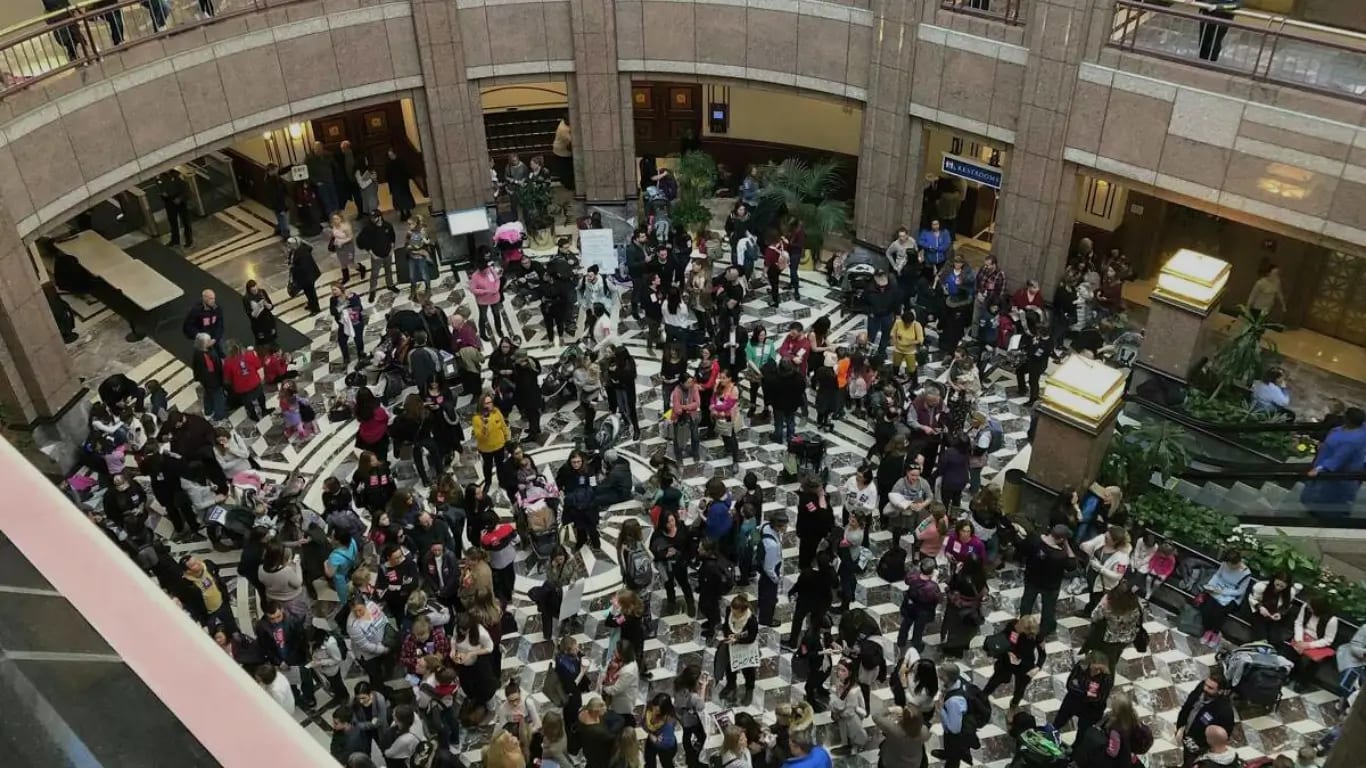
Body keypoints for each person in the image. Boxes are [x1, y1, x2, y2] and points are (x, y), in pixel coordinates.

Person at [1303, 407, 1366, 514]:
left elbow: (1338, 459)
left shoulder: (1351, 441)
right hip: (1327, 459)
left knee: (1330, 502)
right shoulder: (1361, 428)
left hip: (1339, 474)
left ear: (1348, 420)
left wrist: (1319, 469)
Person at [1176, 671, 1237, 768]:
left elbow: (1222, 736)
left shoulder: (1225, 712)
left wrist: (1204, 749)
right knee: (1187, 759)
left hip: (1200, 748)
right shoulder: (1201, 688)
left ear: (1220, 691)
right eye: (1206, 685)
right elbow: (1187, 706)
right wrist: (1180, 726)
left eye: (1210, 688)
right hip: (1187, 736)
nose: (1205, 689)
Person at [1197, 548, 1253, 648]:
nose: (1229, 567)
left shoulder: (1246, 573)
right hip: (1217, 589)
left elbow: (1240, 591)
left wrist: (1223, 592)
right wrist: (1211, 586)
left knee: (1219, 611)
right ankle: (1208, 630)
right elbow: (1218, 575)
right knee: (1207, 608)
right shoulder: (1224, 564)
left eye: (1231, 565)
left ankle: (1215, 633)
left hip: (1232, 596)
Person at [1053, 651, 1113, 740]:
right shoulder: (1080, 667)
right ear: (1090, 663)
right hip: (1073, 701)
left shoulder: (1106, 678)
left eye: (1100, 669)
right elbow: (1070, 685)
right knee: (1058, 722)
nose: (1098, 671)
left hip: (1092, 709)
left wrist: (1080, 689)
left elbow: (1099, 698)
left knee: (1082, 734)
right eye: (1095, 668)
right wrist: (1087, 693)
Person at [1285, 595, 1340, 691]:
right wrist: (1299, 640)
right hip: (1303, 636)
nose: (1308, 607)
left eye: (1311, 607)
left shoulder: (1332, 620)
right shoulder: (1306, 607)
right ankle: (1289, 675)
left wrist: (1309, 645)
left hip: (1318, 641)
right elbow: (1299, 623)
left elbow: (1328, 639)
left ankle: (1303, 682)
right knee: (1292, 650)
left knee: (1315, 662)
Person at [1087, 584, 1145, 672]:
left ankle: (1106, 675)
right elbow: (1140, 619)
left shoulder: (1106, 605)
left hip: (1109, 638)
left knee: (1105, 657)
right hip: (1127, 637)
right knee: (1117, 652)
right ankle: (1114, 661)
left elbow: (1094, 617)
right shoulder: (1137, 605)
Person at [936, 662, 979, 768]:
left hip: (956, 737)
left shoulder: (954, 701)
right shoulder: (959, 681)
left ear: (947, 678)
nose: (939, 677)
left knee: (953, 759)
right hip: (960, 725)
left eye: (941, 676)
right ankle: (948, 753)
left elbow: (954, 729)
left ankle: (953, 758)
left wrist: (941, 710)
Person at [829, 659, 869, 754]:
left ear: (850, 673)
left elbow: (862, 710)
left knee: (856, 735)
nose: (839, 673)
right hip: (842, 718)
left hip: (852, 718)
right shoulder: (837, 685)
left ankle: (855, 746)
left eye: (843, 670)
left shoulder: (855, 689)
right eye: (838, 669)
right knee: (844, 734)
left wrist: (855, 709)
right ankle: (845, 745)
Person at [357, 210, 398, 302]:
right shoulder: (368, 229)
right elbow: (364, 242)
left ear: (379, 217)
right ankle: (372, 290)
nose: (372, 219)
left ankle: (390, 285)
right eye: (371, 218)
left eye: (374, 217)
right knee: (374, 274)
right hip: (376, 255)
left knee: (388, 270)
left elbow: (392, 238)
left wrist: (392, 249)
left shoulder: (387, 226)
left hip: (387, 253)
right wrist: (372, 254)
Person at [190, 332, 227, 422]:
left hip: (205, 381)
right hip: (213, 380)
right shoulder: (206, 356)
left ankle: (208, 410)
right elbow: (213, 370)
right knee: (218, 397)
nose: (212, 341)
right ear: (204, 344)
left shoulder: (198, 352)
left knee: (208, 394)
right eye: (209, 340)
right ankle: (219, 415)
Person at [159, 170, 194, 248]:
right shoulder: (163, 181)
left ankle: (189, 240)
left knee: (186, 222)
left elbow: (186, 191)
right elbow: (162, 191)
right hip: (170, 203)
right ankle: (175, 241)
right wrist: (163, 195)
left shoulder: (179, 180)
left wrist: (180, 198)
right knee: (173, 223)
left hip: (181, 203)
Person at [643, 693, 679, 768]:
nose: (654, 713)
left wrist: (656, 740)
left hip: (666, 748)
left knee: (667, 764)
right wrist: (651, 734)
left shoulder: (669, 721)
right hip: (653, 738)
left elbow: (667, 743)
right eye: (654, 709)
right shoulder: (649, 706)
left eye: (658, 711)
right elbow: (643, 722)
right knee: (649, 761)